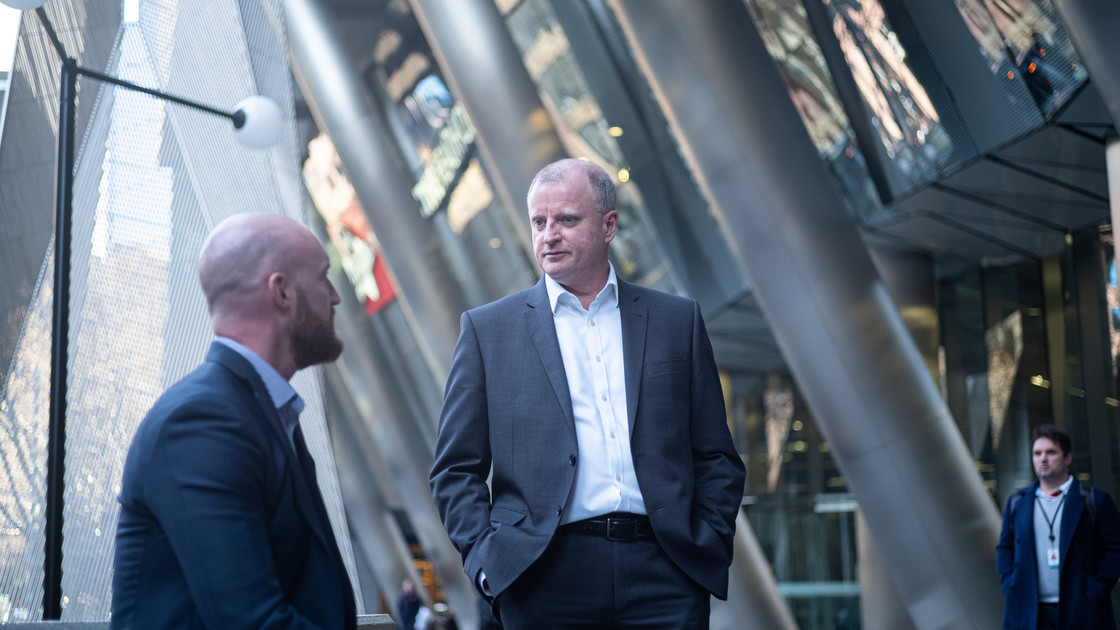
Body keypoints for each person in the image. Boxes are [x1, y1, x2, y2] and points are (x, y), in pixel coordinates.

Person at [429, 158, 746, 628]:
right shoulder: (488, 330)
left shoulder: (676, 321)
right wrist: (485, 561)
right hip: (540, 575)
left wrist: (709, 539)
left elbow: (716, 455)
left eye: (566, 219)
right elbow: (455, 468)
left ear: (608, 226)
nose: (549, 235)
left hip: (666, 573)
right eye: (539, 222)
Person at [110, 214, 357, 629]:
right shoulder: (200, 422)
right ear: (281, 291)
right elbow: (252, 621)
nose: (334, 297)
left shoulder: (254, 410)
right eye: (322, 277)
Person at [997, 424, 1120, 630]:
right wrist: (1009, 583)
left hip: (1082, 609)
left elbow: (1115, 548)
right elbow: (1004, 547)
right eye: (1037, 453)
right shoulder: (1018, 502)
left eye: (1051, 452)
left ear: (1067, 458)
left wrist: (1098, 586)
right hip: (1029, 611)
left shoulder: (1094, 499)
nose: (1043, 459)